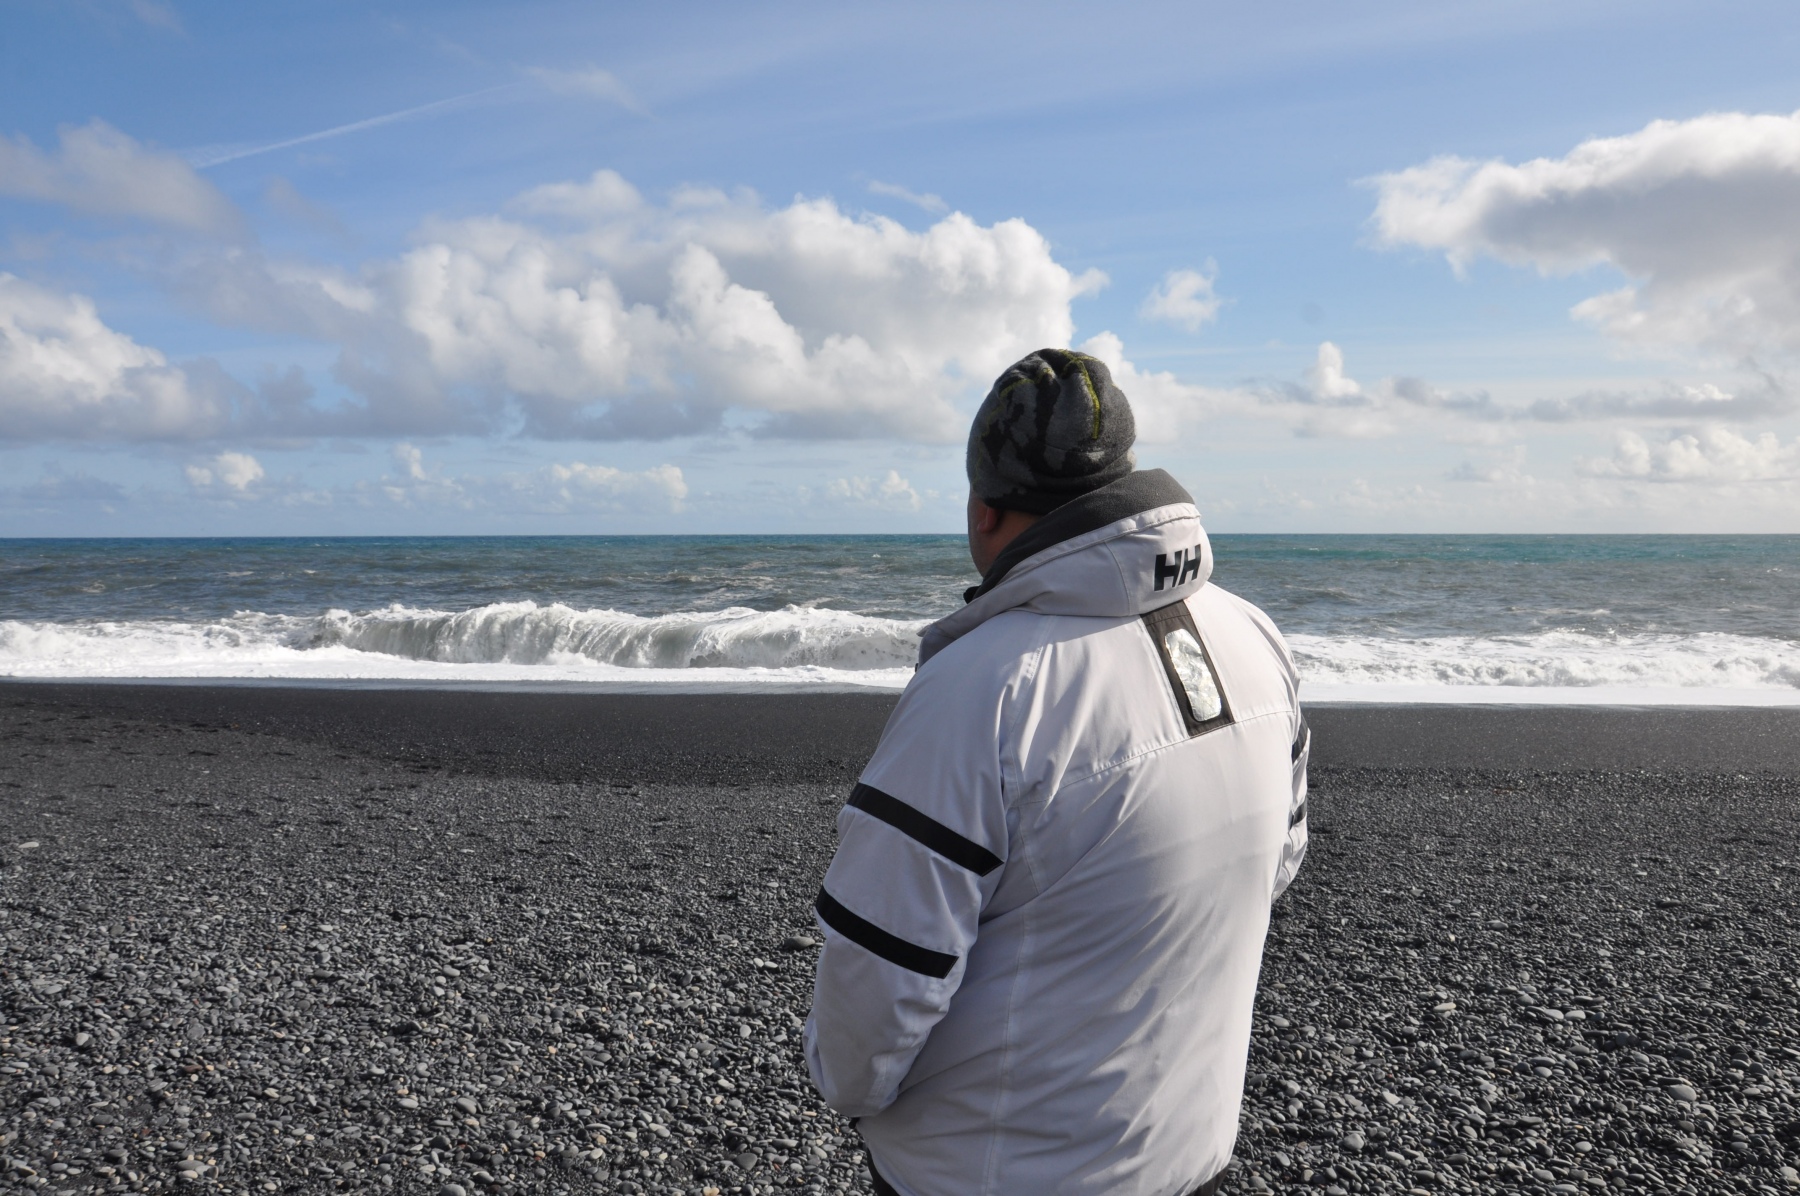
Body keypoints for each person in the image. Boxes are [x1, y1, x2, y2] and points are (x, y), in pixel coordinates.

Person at [803, 348, 1309, 1196]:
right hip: (1189, 1147)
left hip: (995, 1172)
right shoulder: (1255, 637)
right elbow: (1277, 865)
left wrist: (844, 1088)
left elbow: (880, 976)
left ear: (985, 510)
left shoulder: (983, 688)